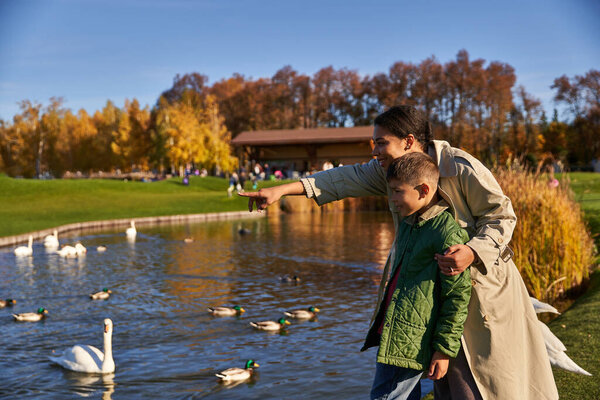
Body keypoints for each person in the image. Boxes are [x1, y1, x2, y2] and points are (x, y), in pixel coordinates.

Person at [239, 105, 558, 400]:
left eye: (380, 142)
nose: (374, 151)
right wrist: (281, 189)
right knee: (445, 383)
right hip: (426, 297)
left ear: (408, 141)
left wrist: (472, 251)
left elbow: (501, 215)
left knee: (483, 383)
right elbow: (340, 179)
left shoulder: (459, 167)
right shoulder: (389, 172)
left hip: (479, 293)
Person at [369, 152, 472, 400]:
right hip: (394, 333)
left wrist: (443, 350)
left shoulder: (445, 233)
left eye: (397, 191)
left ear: (423, 190)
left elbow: (456, 297)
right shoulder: (409, 222)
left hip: (411, 339)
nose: (392, 199)